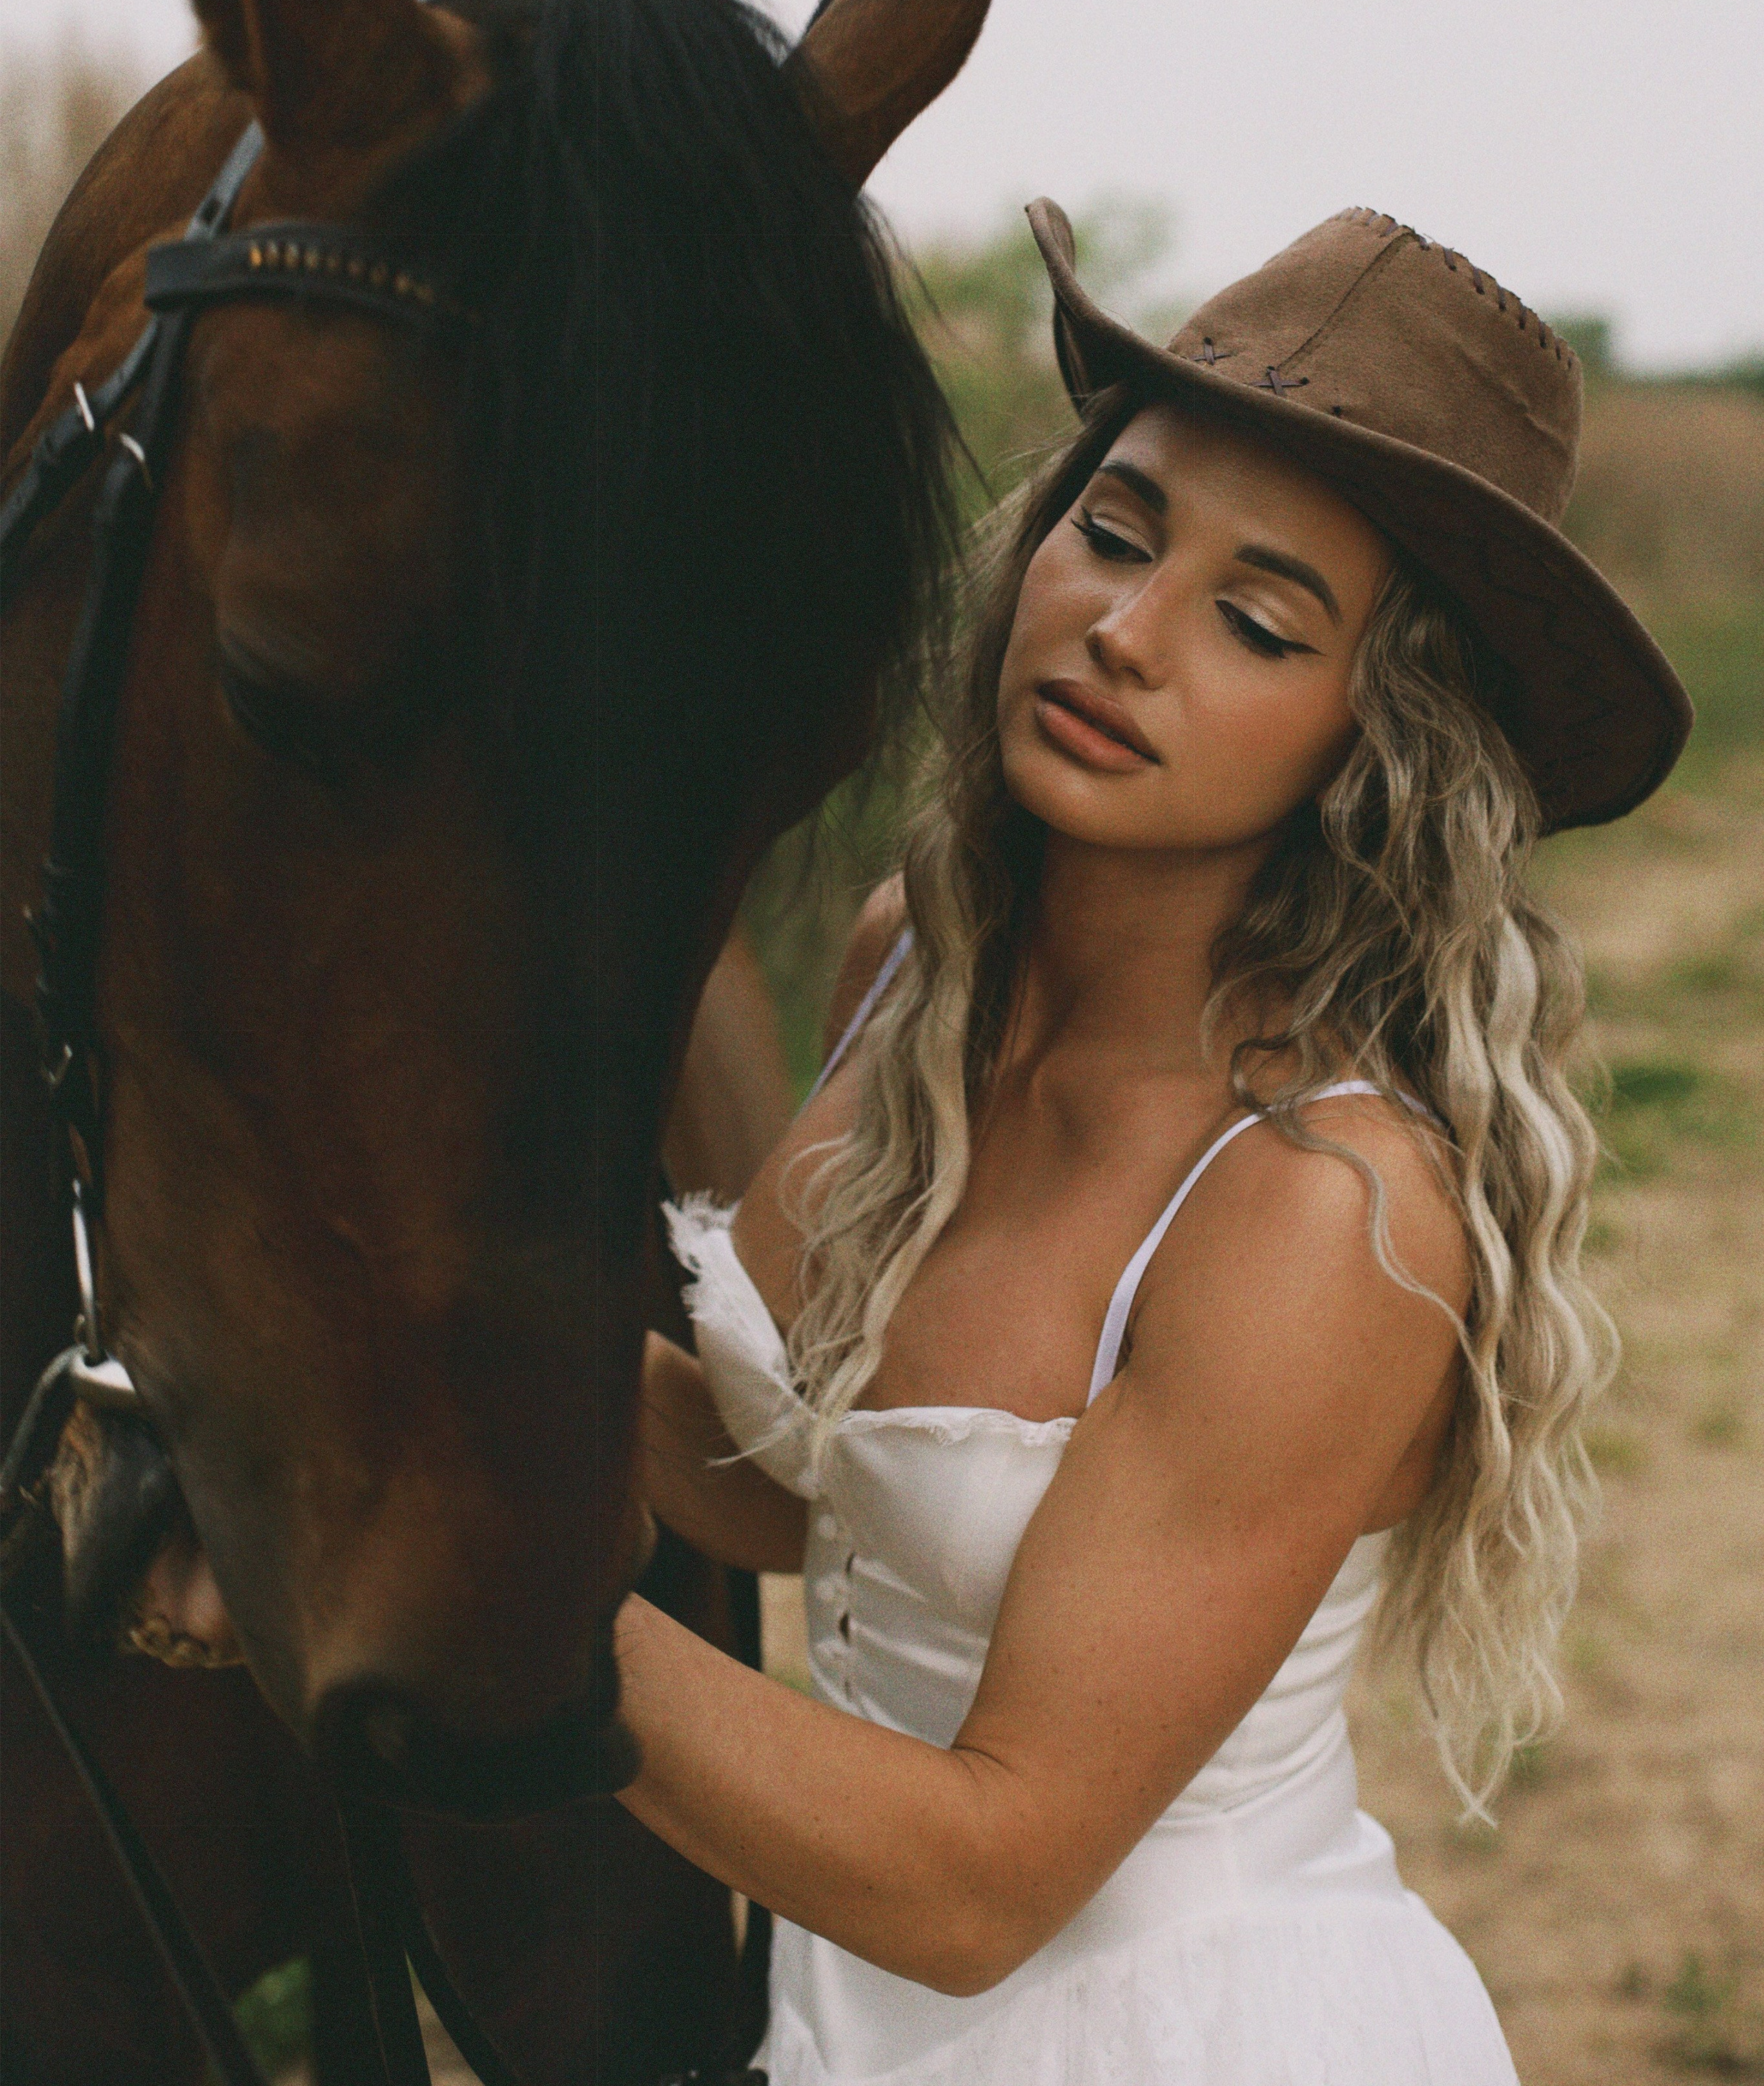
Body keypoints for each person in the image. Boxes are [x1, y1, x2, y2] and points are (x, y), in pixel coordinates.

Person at [617, 201, 1691, 2084]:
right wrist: (392, 1381)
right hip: (836, 2019)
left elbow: (984, 1877)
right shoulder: (912, 962)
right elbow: (777, 1489)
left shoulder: (1325, 1209)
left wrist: (480, 1613)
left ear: (1378, 734)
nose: (1125, 630)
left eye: (1258, 622)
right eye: (1113, 530)